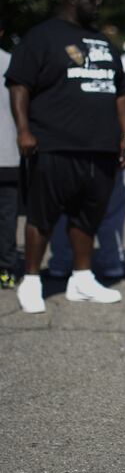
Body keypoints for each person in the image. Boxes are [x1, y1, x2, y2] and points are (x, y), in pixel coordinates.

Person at [5, 0, 125, 313]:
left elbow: (120, 91)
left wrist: (124, 135)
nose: (98, 4)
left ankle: (82, 278)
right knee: (42, 216)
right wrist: (24, 131)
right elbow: (19, 84)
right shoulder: (42, 37)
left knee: (87, 217)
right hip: (55, 143)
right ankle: (31, 281)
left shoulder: (101, 41)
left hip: (101, 147)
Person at [0, 18, 19, 289]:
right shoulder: (12, 63)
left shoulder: (12, 63)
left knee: (7, 213)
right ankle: (5, 269)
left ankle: (5, 266)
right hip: (8, 151)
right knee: (6, 213)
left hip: (8, 150)